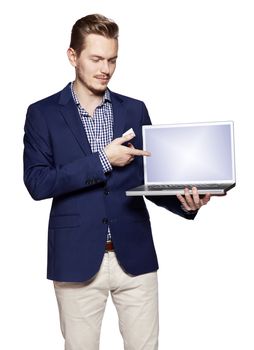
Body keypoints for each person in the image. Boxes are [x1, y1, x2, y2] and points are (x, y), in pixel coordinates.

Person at [23, 13, 211, 350]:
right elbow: (38, 182)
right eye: (96, 58)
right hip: (76, 259)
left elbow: (148, 178)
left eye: (112, 60)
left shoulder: (134, 109)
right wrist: (102, 160)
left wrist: (185, 204)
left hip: (135, 257)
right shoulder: (43, 113)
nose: (105, 68)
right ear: (72, 56)